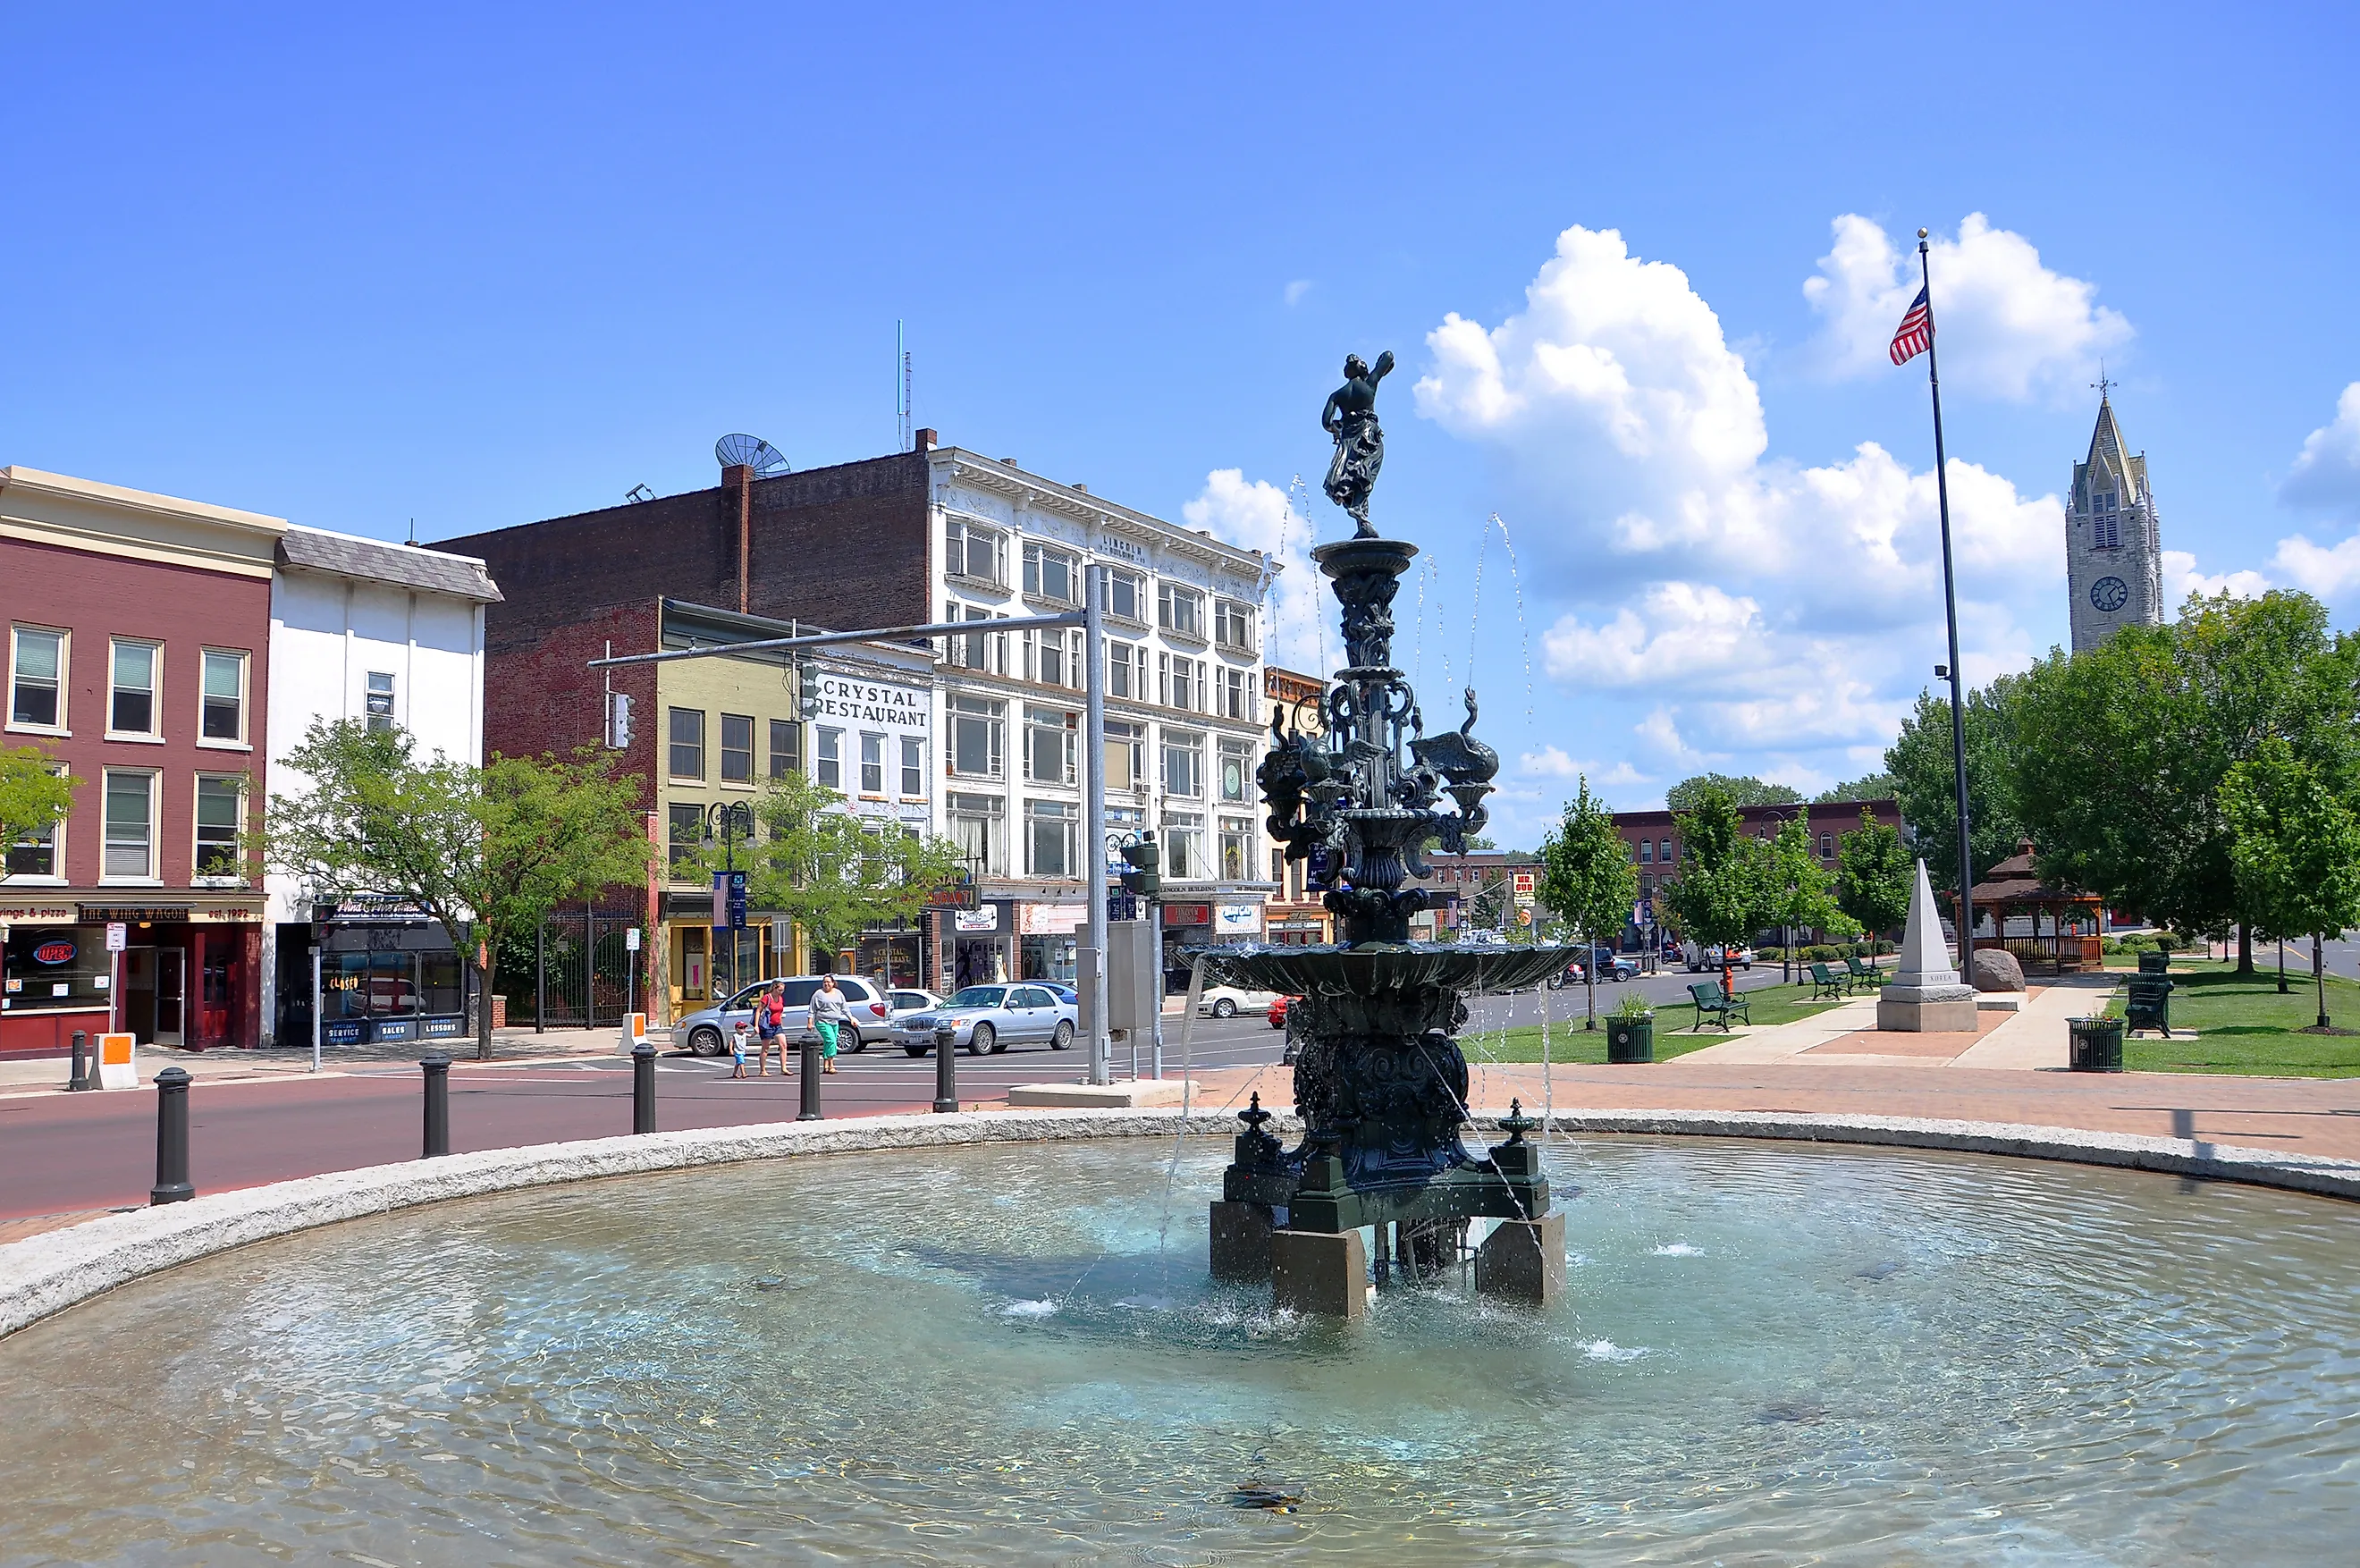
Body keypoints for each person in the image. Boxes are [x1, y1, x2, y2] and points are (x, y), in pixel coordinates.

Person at [810, 973, 853, 1074]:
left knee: (827, 1043)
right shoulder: (818, 994)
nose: (826, 984)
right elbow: (812, 1009)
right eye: (824, 982)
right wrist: (810, 1022)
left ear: (833, 983)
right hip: (822, 1022)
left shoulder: (838, 993)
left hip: (834, 1022)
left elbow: (844, 1008)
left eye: (828, 982)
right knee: (831, 1041)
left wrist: (851, 1018)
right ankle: (831, 1065)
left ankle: (825, 1066)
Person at [756, 980, 786, 1075]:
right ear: (774, 988)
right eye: (779, 990)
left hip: (777, 1025)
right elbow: (758, 1011)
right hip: (767, 1025)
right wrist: (756, 1026)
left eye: (782, 990)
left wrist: (780, 1020)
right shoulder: (767, 998)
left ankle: (783, 1068)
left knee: (783, 1045)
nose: (781, 992)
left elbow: (780, 1011)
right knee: (765, 1048)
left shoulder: (780, 998)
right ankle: (762, 1070)